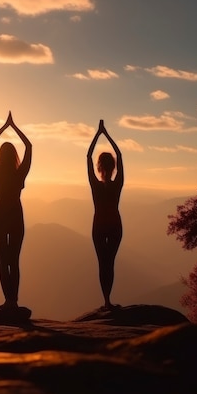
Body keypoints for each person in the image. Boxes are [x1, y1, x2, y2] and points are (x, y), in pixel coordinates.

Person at [0, 111, 32, 310]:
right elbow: (29, 146)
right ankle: (14, 301)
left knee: (3, 259)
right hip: (15, 216)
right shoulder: (20, 173)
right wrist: (14, 127)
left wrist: (4, 127)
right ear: (14, 156)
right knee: (14, 259)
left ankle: (7, 301)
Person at [87, 119, 123, 310]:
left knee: (103, 263)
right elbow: (119, 154)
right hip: (115, 225)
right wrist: (106, 134)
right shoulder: (117, 183)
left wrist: (98, 134)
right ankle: (108, 301)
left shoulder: (95, 185)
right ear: (113, 167)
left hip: (99, 225)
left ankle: (107, 301)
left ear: (99, 166)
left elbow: (87, 156)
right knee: (110, 262)